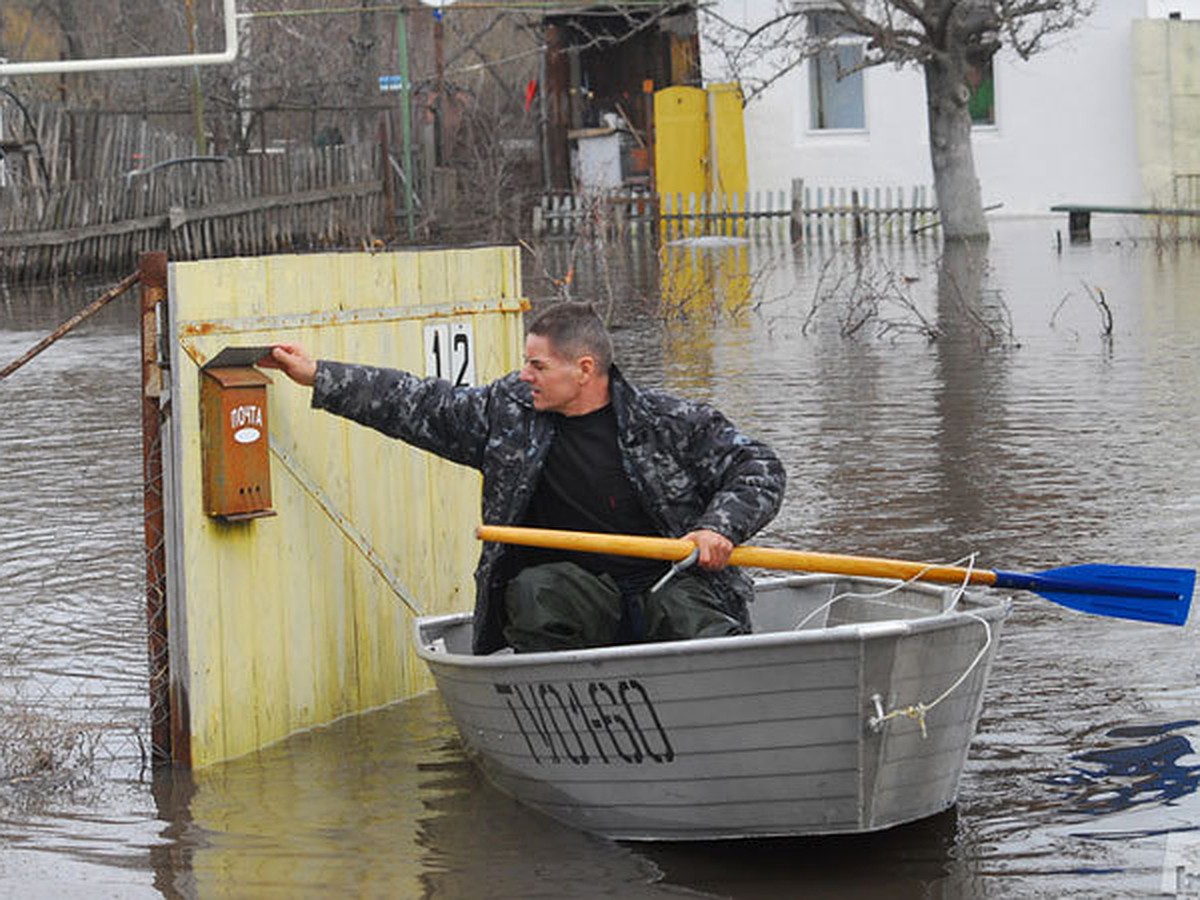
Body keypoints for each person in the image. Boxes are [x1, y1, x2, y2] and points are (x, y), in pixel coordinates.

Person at [261, 302, 785, 655]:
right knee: (536, 592)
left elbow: (759, 468)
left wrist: (719, 528)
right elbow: (417, 401)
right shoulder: (506, 416)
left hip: (668, 583)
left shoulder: (669, 422)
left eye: (537, 365)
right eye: (525, 364)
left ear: (583, 369)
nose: (524, 376)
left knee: (695, 617)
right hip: (574, 598)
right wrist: (319, 375)